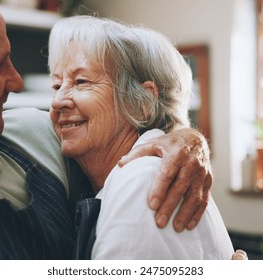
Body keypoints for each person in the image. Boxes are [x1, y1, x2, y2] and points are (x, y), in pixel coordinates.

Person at [0, 0, 213, 259]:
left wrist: (184, 138)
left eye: (80, 81)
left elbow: (132, 135)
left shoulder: (34, 131)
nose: (17, 82)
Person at [48, 15, 234, 259]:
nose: (57, 101)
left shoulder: (144, 182)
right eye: (56, 85)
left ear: (141, 103)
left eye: (81, 81)